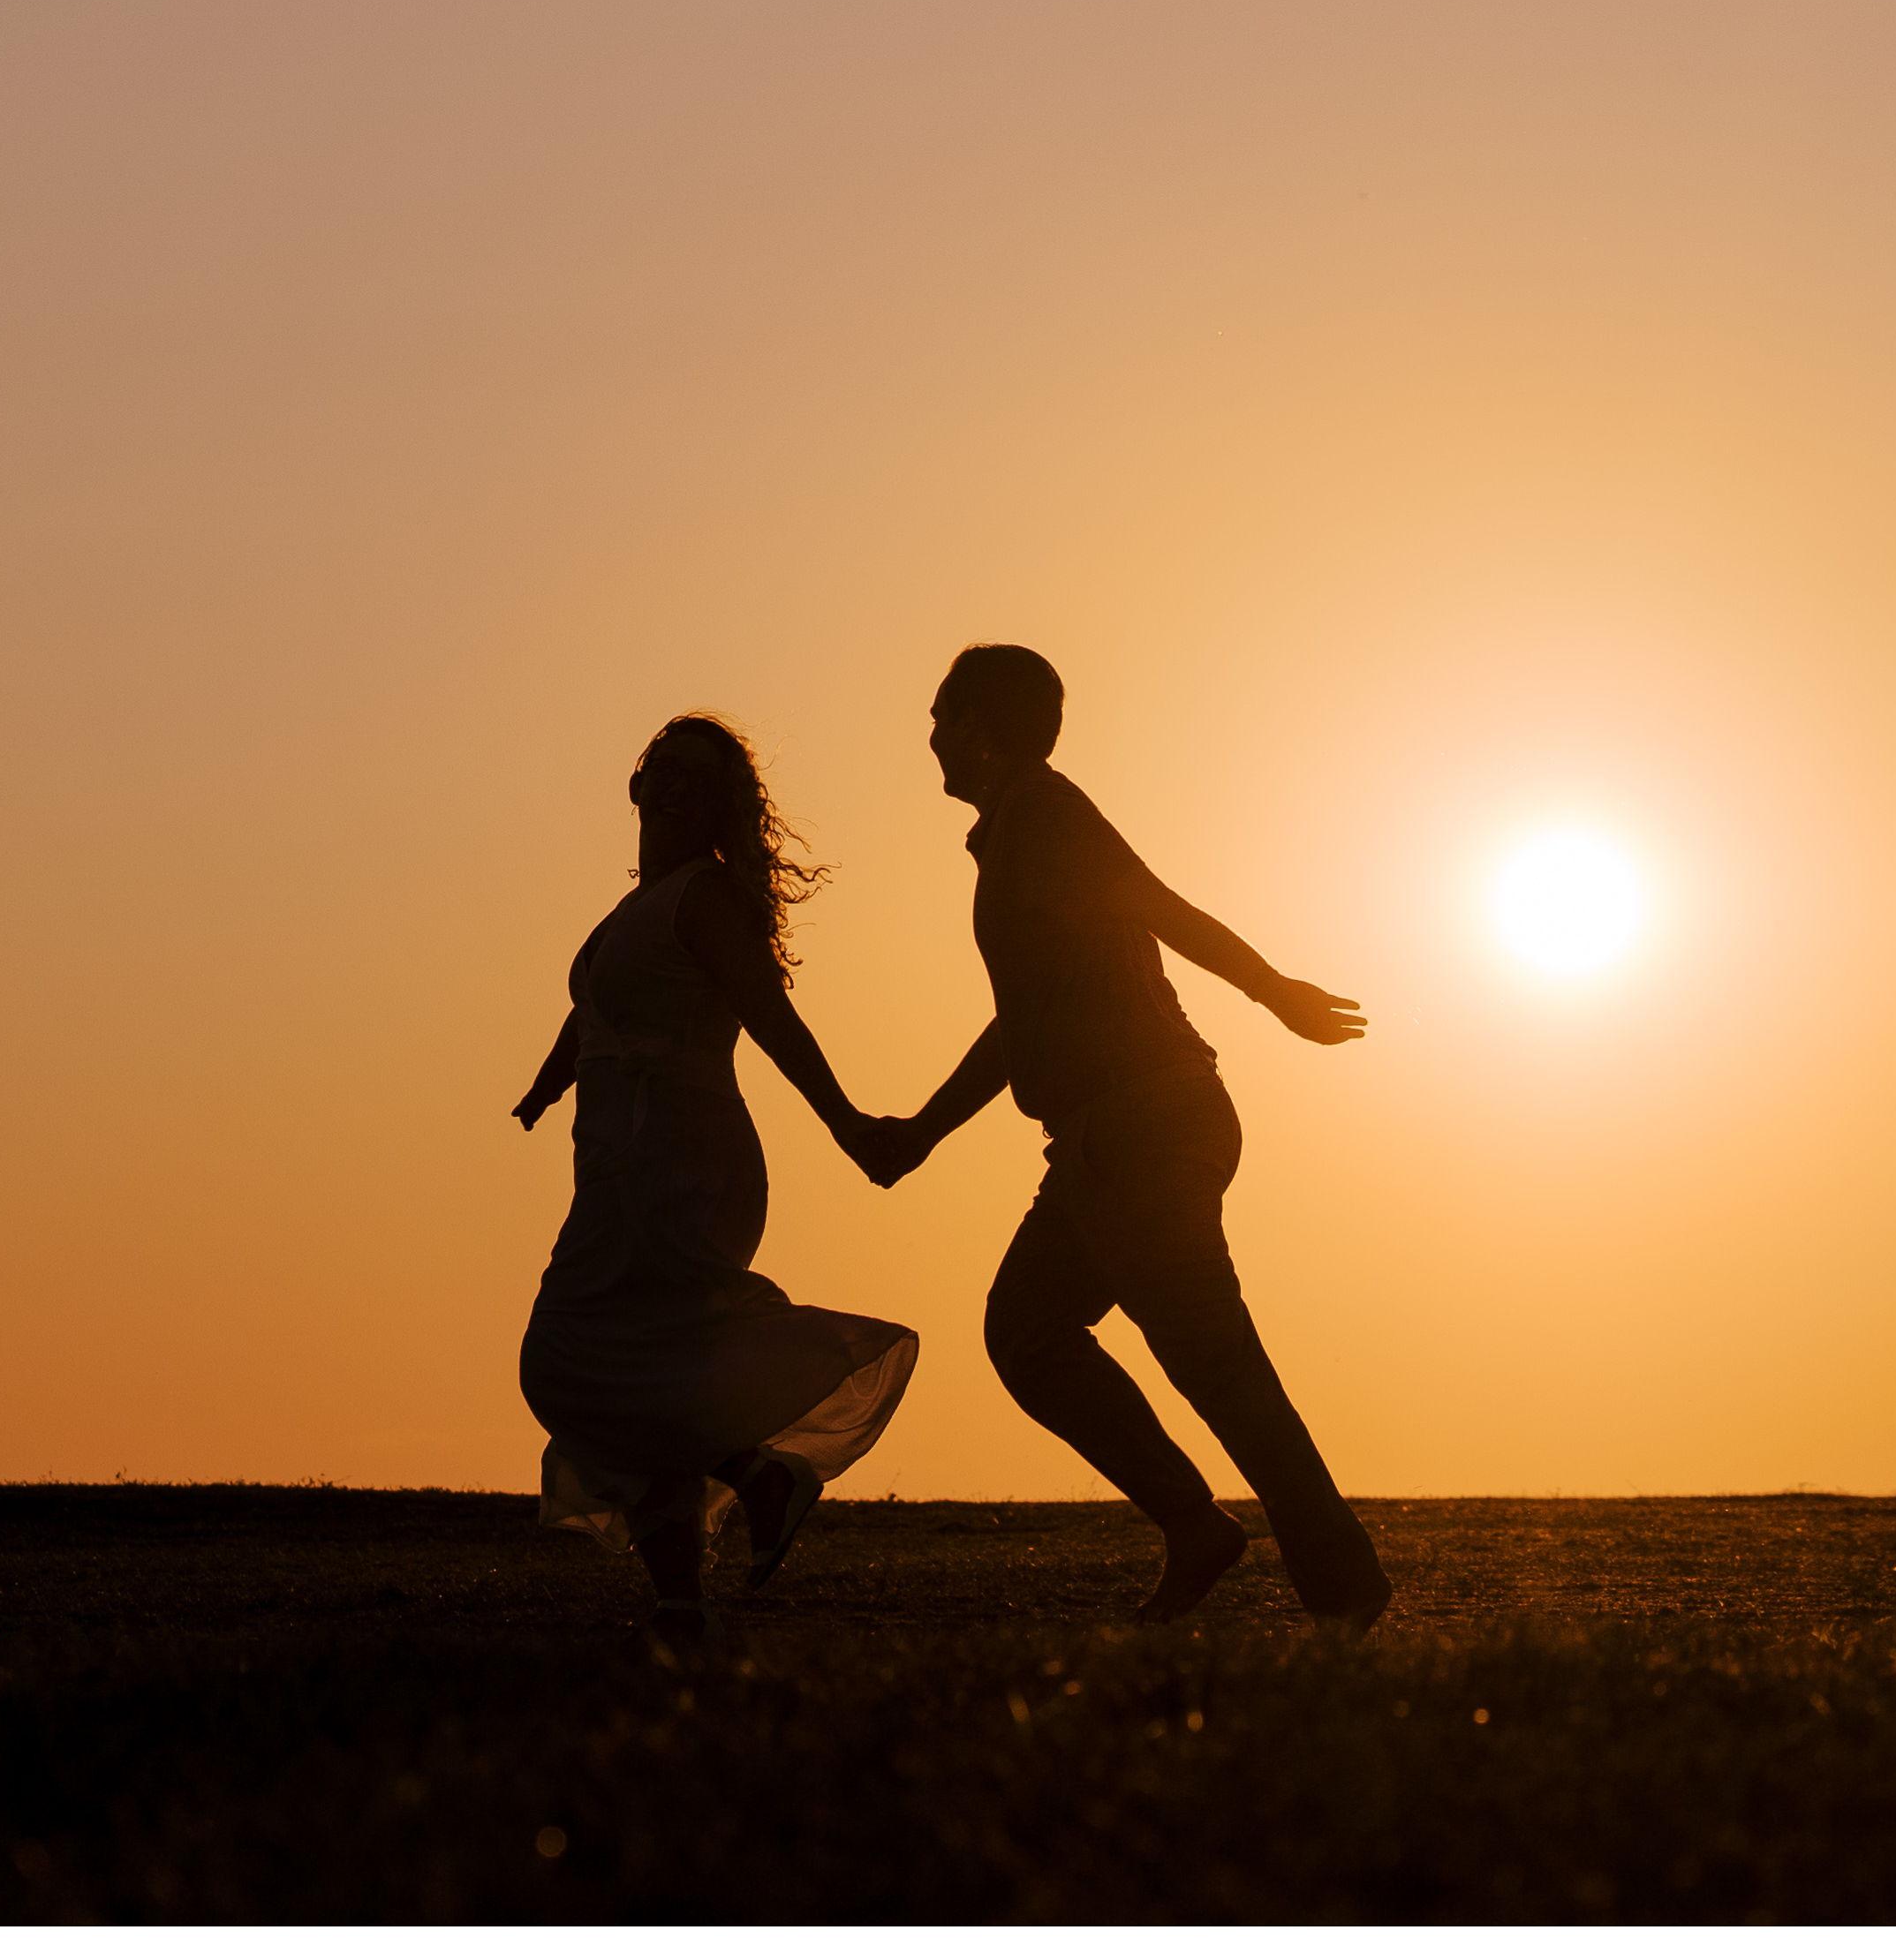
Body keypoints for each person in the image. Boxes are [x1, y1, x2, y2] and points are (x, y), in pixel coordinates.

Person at [853, 643, 1393, 1624]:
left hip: (1148, 1123)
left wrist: (1273, 992)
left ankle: (1344, 1590)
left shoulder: (1051, 817)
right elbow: (1020, 1022)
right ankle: (1197, 1527)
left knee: (1214, 1363)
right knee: (1026, 1330)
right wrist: (923, 1131)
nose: (930, 733)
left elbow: (1160, 907)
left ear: (988, 725)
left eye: (945, 713)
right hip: (1102, 1144)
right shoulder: (1014, 834)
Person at [515, 714, 920, 1610]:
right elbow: (593, 1010)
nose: (667, 792)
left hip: (679, 1160)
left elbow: (770, 1017)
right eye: (658, 773)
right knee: (657, 1364)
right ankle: (679, 1610)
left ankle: (752, 1470)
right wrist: (547, 1084)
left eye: (691, 782)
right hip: (624, 1160)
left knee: (565, 1356)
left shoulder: (701, 898)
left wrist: (847, 1124)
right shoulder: (637, 910)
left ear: (717, 808)